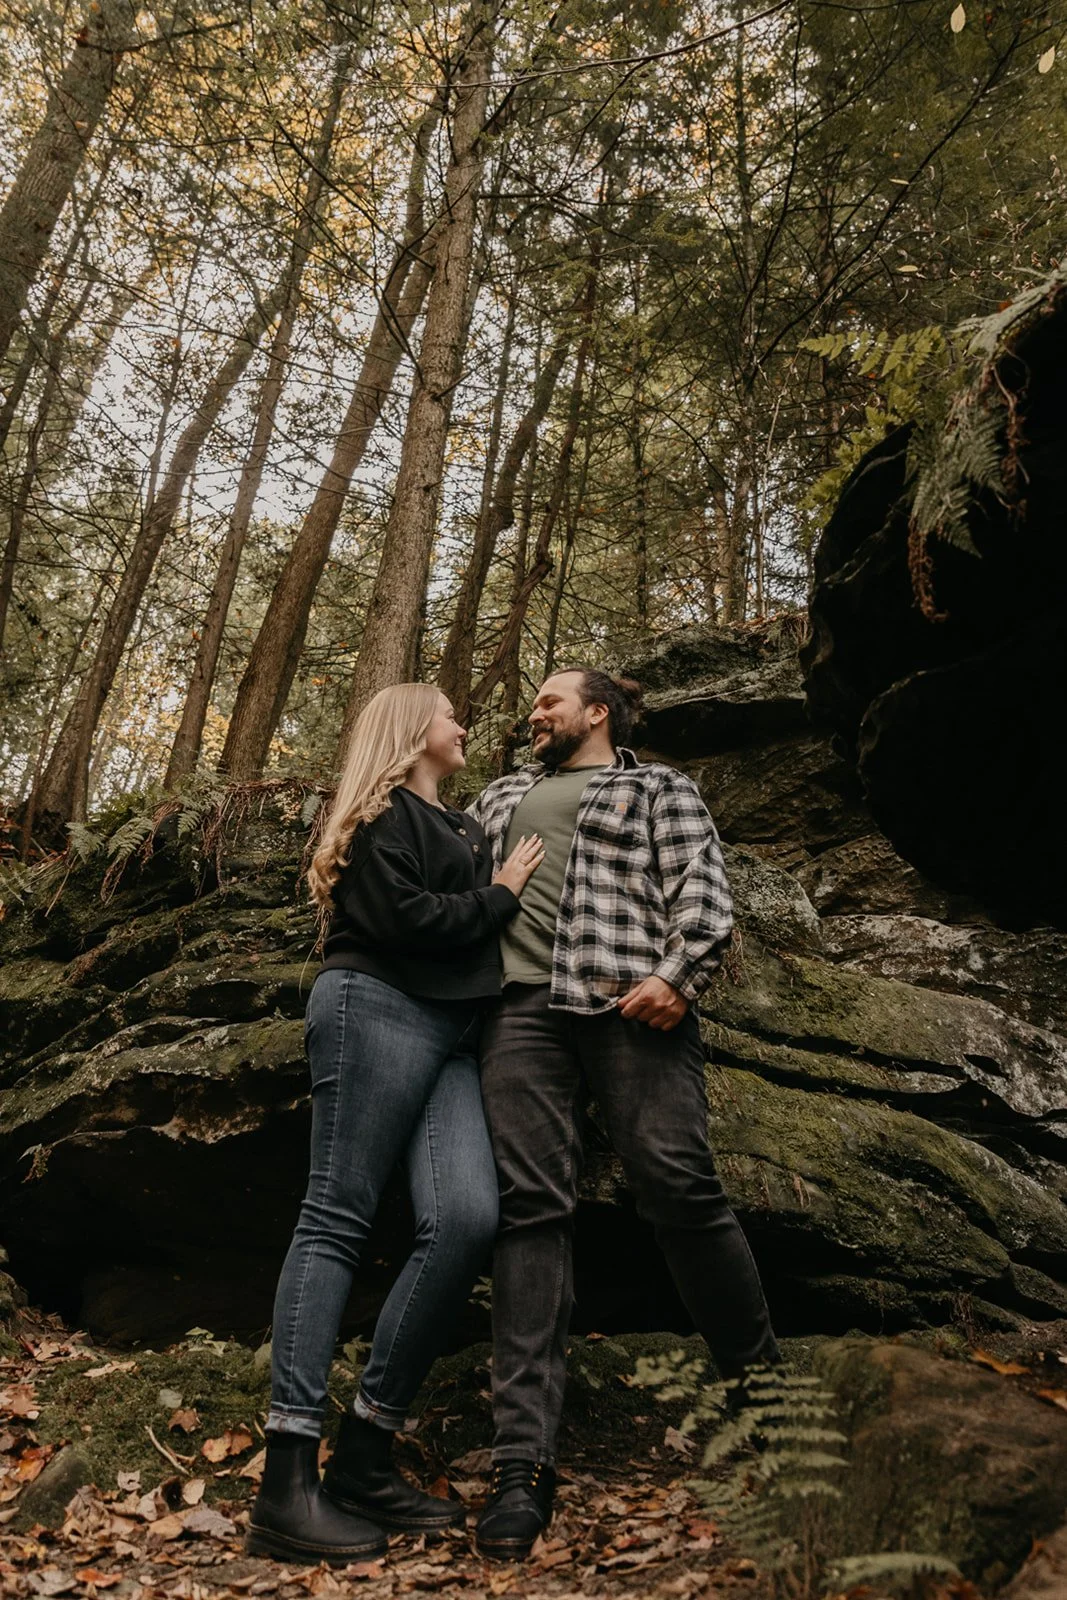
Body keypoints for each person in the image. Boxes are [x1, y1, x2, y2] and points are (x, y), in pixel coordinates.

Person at [467, 667, 780, 1561]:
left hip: (627, 1002)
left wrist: (676, 981)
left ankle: (764, 1398)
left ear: (596, 712)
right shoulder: (498, 797)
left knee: (679, 1188)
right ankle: (521, 1466)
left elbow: (705, 896)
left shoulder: (657, 787)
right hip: (515, 1015)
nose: (534, 711)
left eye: (549, 700)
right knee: (528, 1211)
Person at [247, 684, 544, 1566]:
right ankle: (285, 1482)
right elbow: (407, 920)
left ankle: (367, 1453)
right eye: (452, 713)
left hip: (452, 1033)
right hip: (375, 1008)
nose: (465, 725)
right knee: (335, 1217)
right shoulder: (380, 816)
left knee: (465, 1220)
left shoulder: (459, 826)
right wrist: (497, 897)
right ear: (414, 729)